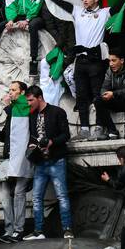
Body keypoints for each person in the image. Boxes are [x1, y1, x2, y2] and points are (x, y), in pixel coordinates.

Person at [38, 0, 112, 140]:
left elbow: (119, 7)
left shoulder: (105, 13)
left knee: (97, 95)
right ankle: (84, 129)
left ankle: (100, 128)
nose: (84, 0)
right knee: (81, 96)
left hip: (96, 61)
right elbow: (61, 3)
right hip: (80, 61)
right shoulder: (77, 11)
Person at [23, 84, 73, 240]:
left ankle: (67, 230)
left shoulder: (57, 112)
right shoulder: (31, 116)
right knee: (36, 198)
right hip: (40, 162)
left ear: (39, 98)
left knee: (62, 196)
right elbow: (32, 135)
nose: (29, 103)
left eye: (31, 100)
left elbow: (66, 135)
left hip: (56, 160)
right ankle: (39, 231)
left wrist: (51, 142)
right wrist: (32, 144)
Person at [0, 81, 34, 243]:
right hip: (9, 158)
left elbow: (23, 136)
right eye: (9, 90)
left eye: (14, 90)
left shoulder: (23, 108)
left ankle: (18, 230)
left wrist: (7, 104)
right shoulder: (13, 111)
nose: (10, 93)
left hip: (23, 158)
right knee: (5, 196)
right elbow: (9, 137)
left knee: (18, 193)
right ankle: (8, 230)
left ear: (22, 93)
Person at [3, 0, 50, 78]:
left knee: (33, 25)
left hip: (37, 15)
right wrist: (10, 20)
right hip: (20, 16)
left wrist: (28, 19)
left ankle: (33, 60)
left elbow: (38, 0)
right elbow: (10, 2)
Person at [95, 51, 125, 139]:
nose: (111, 64)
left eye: (113, 60)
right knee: (98, 100)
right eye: (109, 61)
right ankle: (112, 130)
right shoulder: (109, 71)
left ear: (121, 60)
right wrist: (104, 95)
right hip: (117, 99)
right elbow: (104, 88)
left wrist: (114, 94)